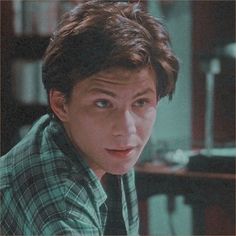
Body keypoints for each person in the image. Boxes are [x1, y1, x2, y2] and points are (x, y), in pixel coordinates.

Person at [0, 0, 179, 235]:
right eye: (103, 103)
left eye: (141, 103)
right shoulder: (61, 208)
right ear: (60, 104)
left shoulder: (102, 149)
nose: (127, 129)